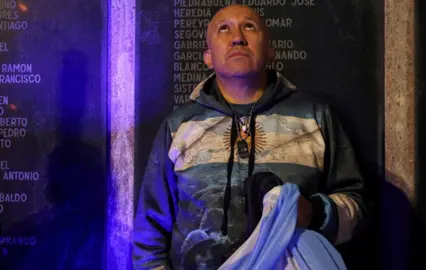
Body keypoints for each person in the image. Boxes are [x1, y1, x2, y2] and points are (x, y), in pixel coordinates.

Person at [133, 4, 369, 270]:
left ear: (270, 51)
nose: (237, 37)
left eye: (249, 26)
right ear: (208, 57)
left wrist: (314, 212)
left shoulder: (315, 116)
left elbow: (357, 207)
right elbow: (149, 231)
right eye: (224, 29)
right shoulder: (179, 126)